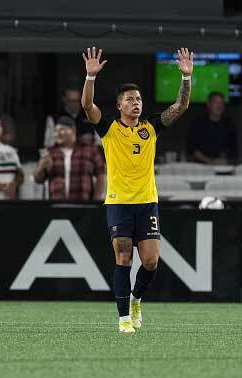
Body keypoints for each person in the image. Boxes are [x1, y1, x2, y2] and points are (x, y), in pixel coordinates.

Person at [81, 46, 192, 333]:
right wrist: (90, 78)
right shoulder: (108, 129)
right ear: (119, 105)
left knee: (151, 262)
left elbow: (180, 107)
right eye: (130, 99)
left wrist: (186, 78)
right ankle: (123, 319)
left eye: (139, 99)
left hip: (147, 201)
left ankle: (136, 300)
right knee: (123, 257)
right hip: (118, 202)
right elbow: (87, 107)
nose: (136, 103)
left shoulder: (151, 128)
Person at [34, 116, 105, 201]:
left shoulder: (89, 150)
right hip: (57, 207)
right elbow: (38, 179)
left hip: (83, 206)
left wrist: (96, 199)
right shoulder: (50, 153)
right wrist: (41, 167)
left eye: (62, 129)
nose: (58, 133)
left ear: (73, 130)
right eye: (56, 131)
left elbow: (101, 174)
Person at [186, 91, 237, 164]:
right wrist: (210, 161)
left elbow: (234, 151)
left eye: (221, 103)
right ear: (209, 104)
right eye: (216, 102)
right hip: (200, 168)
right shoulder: (198, 124)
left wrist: (224, 160)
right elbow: (191, 149)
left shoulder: (229, 125)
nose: (219, 106)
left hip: (223, 167)